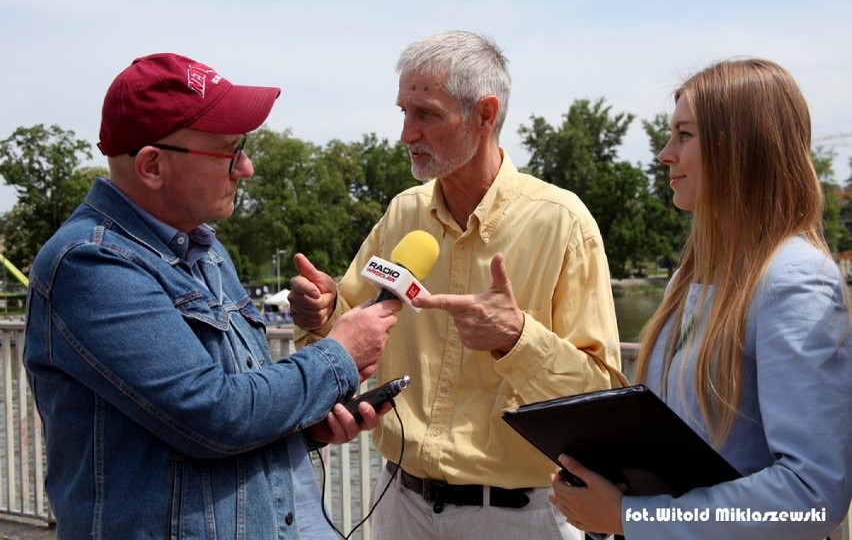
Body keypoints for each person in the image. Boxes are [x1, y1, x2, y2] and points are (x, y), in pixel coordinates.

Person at [23, 52, 402, 539]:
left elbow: (236, 402)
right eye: (230, 150)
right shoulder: (90, 265)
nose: (245, 167)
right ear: (153, 166)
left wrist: (306, 424)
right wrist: (339, 355)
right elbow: (214, 415)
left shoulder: (205, 247)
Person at [288, 30, 626, 540]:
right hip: (399, 506)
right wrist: (320, 312)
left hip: (520, 520)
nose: (405, 134)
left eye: (425, 114)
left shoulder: (562, 222)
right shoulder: (402, 212)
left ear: (485, 115)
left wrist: (516, 340)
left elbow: (602, 401)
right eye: (403, 112)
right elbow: (346, 326)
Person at [548, 58, 852, 539]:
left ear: (740, 147)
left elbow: (812, 494)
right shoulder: (691, 279)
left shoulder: (793, 278)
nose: (665, 153)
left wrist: (635, 518)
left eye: (684, 136)